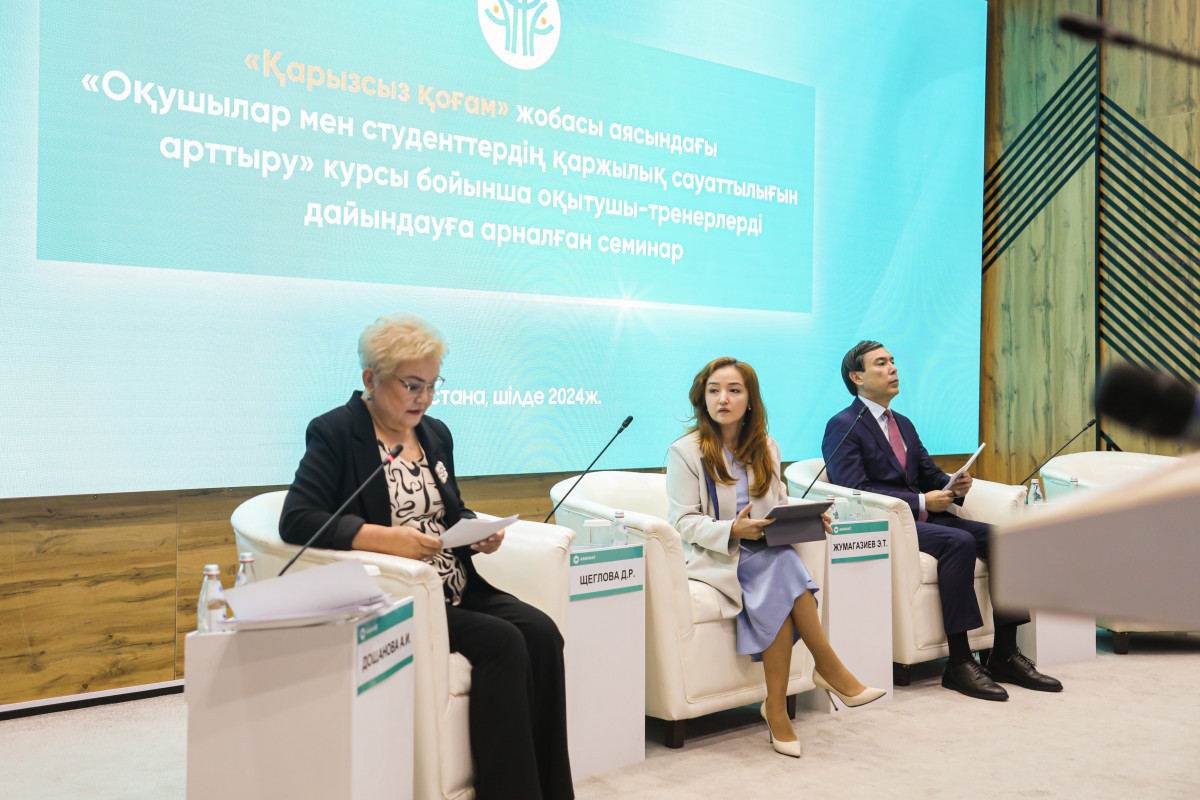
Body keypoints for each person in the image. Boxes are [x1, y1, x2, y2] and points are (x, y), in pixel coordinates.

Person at [279, 313, 573, 800]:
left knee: (542, 633)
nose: (425, 398)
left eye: (433, 386)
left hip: (457, 584)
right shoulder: (336, 432)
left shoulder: (435, 433)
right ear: (371, 378)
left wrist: (476, 531)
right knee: (503, 642)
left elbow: (446, 509)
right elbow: (298, 519)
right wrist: (385, 538)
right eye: (412, 385)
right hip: (401, 595)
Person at [666, 357, 884, 758]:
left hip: (765, 547)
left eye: (734, 390)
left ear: (750, 399)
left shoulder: (767, 446)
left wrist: (808, 517)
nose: (723, 398)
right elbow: (683, 522)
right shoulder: (686, 452)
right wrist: (733, 530)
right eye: (714, 390)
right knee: (784, 566)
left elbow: (778, 503)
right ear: (703, 398)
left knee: (781, 566)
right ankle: (827, 670)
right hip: (716, 553)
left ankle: (779, 708)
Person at [822, 340, 1062, 701]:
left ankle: (1004, 653)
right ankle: (960, 662)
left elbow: (927, 473)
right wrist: (921, 500)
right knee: (958, 542)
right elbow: (855, 489)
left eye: (892, 361)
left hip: (925, 519)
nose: (893, 368)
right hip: (889, 525)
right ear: (857, 377)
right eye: (880, 363)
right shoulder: (843, 425)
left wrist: (954, 483)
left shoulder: (903, 423)